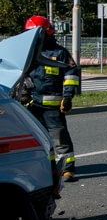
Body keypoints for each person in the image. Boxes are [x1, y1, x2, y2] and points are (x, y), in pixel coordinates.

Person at [21, 16, 80, 182]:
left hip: (53, 107)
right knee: (38, 140)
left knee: (59, 137)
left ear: (46, 33)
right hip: (30, 105)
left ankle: (68, 169)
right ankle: (49, 168)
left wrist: (68, 96)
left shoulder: (59, 53)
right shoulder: (27, 53)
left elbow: (71, 74)